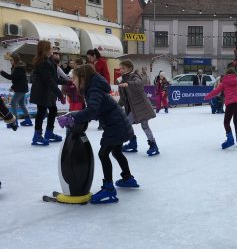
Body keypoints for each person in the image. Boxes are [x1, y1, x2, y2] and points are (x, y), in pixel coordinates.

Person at [57, 64, 140, 204]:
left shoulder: (93, 89)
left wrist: (73, 118)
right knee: (117, 152)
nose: (73, 81)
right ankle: (128, 178)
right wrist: (78, 115)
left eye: (75, 78)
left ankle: (108, 189)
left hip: (115, 124)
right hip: (118, 122)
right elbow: (93, 110)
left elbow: (92, 110)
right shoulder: (93, 86)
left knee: (104, 154)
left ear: (83, 78)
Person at [117, 60, 160, 156]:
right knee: (128, 124)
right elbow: (123, 98)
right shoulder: (122, 80)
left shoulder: (134, 76)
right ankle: (133, 144)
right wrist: (116, 106)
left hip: (142, 106)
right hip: (133, 108)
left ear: (129, 68)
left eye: (123, 68)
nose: (121, 70)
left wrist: (128, 84)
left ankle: (153, 145)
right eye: (120, 68)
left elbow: (138, 82)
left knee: (142, 125)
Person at [30, 40, 66, 146]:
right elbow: (49, 81)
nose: (52, 49)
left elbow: (54, 79)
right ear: (45, 49)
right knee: (41, 112)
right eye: (51, 47)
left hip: (47, 92)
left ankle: (49, 133)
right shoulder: (43, 62)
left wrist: (67, 82)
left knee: (53, 110)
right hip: (41, 91)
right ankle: (37, 136)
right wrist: (60, 94)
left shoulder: (49, 60)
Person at [205, 68, 237, 149]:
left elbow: (216, 91)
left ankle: (230, 139)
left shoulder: (224, 82)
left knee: (226, 122)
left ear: (226, 74)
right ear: (234, 74)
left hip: (230, 103)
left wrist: (207, 97)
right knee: (236, 120)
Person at [0, 53, 32, 127]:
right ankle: (28, 120)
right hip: (22, 88)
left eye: (11, 60)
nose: (10, 61)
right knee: (21, 104)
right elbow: (17, 80)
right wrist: (13, 87)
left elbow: (11, 77)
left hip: (21, 89)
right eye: (10, 60)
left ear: (16, 60)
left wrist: (1, 72)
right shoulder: (15, 67)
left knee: (13, 103)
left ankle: (14, 121)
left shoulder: (18, 68)